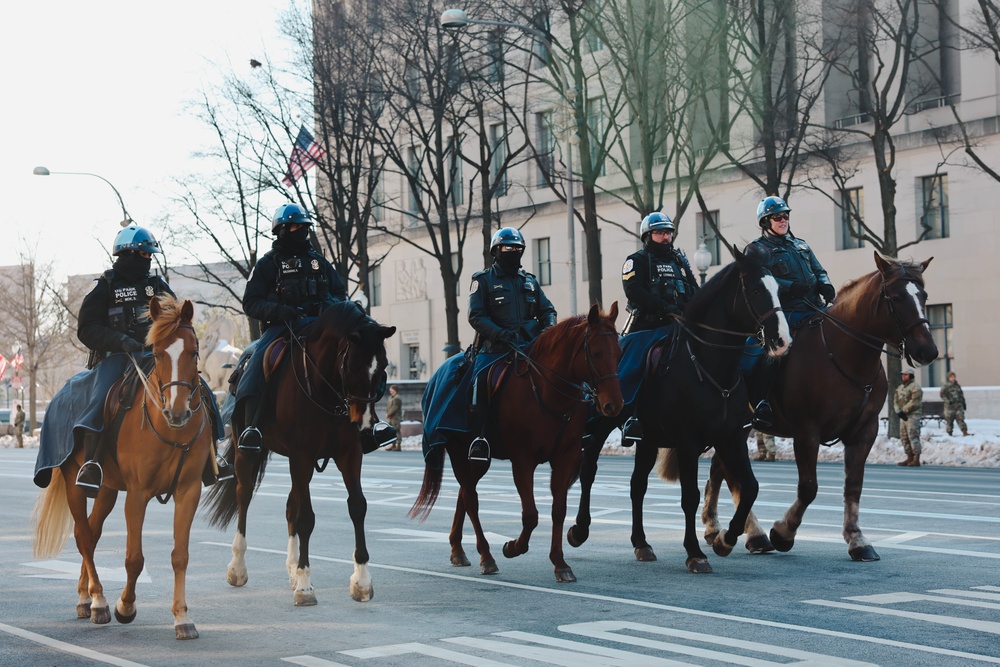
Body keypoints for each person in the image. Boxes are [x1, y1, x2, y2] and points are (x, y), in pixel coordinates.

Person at [236, 203, 348, 451]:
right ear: (281, 230)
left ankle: (365, 423)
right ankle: (250, 428)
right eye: (295, 227)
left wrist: (329, 305)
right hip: (282, 328)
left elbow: (341, 294)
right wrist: (279, 311)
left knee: (354, 354)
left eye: (304, 227)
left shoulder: (320, 263)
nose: (300, 231)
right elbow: (251, 302)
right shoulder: (267, 264)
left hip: (319, 326)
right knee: (256, 363)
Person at [75, 224, 176, 495]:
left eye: (150, 255)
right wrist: (119, 341)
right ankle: (92, 464)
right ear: (129, 254)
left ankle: (214, 456)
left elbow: (177, 319)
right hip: (117, 358)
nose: (149, 259)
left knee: (194, 387)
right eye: (144, 255)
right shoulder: (104, 286)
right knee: (100, 400)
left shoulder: (157, 285)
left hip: (155, 355)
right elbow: (86, 328)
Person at [464, 227, 557, 459]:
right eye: (508, 248)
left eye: (518, 248)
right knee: (480, 381)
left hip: (530, 346)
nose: (513, 251)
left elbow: (548, 310)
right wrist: (499, 333)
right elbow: (476, 315)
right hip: (495, 349)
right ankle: (481, 437)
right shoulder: (483, 280)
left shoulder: (530, 282)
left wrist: (549, 329)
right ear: (496, 251)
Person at [744, 196, 836, 429]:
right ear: (765, 222)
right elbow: (759, 279)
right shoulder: (757, 249)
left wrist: (825, 283)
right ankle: (761, 402)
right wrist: (789, 286)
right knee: (776, 350)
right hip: (783, 313)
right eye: (777, 217)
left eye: (785, 216)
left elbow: (818, 269)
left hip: (814, 308)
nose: (783, 220)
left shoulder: (801, 244)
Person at [618, 211, 698, 444]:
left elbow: (693, 291)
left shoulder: (678, 262)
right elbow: (633, 291)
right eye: (660, 233)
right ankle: (629, 416)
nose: (666, 237)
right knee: (635, 366)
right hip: (647, 327)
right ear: (647, 236)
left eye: (668, 233)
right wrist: (664, 307)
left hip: (678, 326)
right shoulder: (637, 260)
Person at [894, 368, 923, 466]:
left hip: (913, 415)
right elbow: (895, 400)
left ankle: (916, 458)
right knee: (904, 437)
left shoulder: (915, 387)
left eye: (906, 375)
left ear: (911, 376)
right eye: (903, 375)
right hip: (903, 416)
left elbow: (914, 401)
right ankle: (909, 457)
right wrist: (898, 411)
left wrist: (904, 410)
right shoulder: (900, 388)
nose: (904, 376)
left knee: (913, 436)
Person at [940, 371, 970, 437]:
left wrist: (963, 404)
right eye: (951, 377)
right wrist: (948, 401)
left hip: (958, 405)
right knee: (950, 421)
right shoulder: (946, 386)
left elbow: (961, 395)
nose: (953, 378)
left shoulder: (957, 386)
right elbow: (942, 395)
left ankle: (964, 431)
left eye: (954, 377)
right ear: (949, 378)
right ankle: (949, 433)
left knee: (960, 418)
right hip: (950, 406)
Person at [385, 385, 402, 451]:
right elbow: (388, 406)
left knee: (396, 430)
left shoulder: (397, 398)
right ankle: (393, 445)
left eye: (391, 390)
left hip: (396, 417)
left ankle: (398, 445)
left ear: (394, 390)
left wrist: (389, 413)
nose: (390, 391)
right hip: (391, 417)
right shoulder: (391, 397)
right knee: (391, 431)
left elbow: (395, 407)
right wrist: (387, 413)